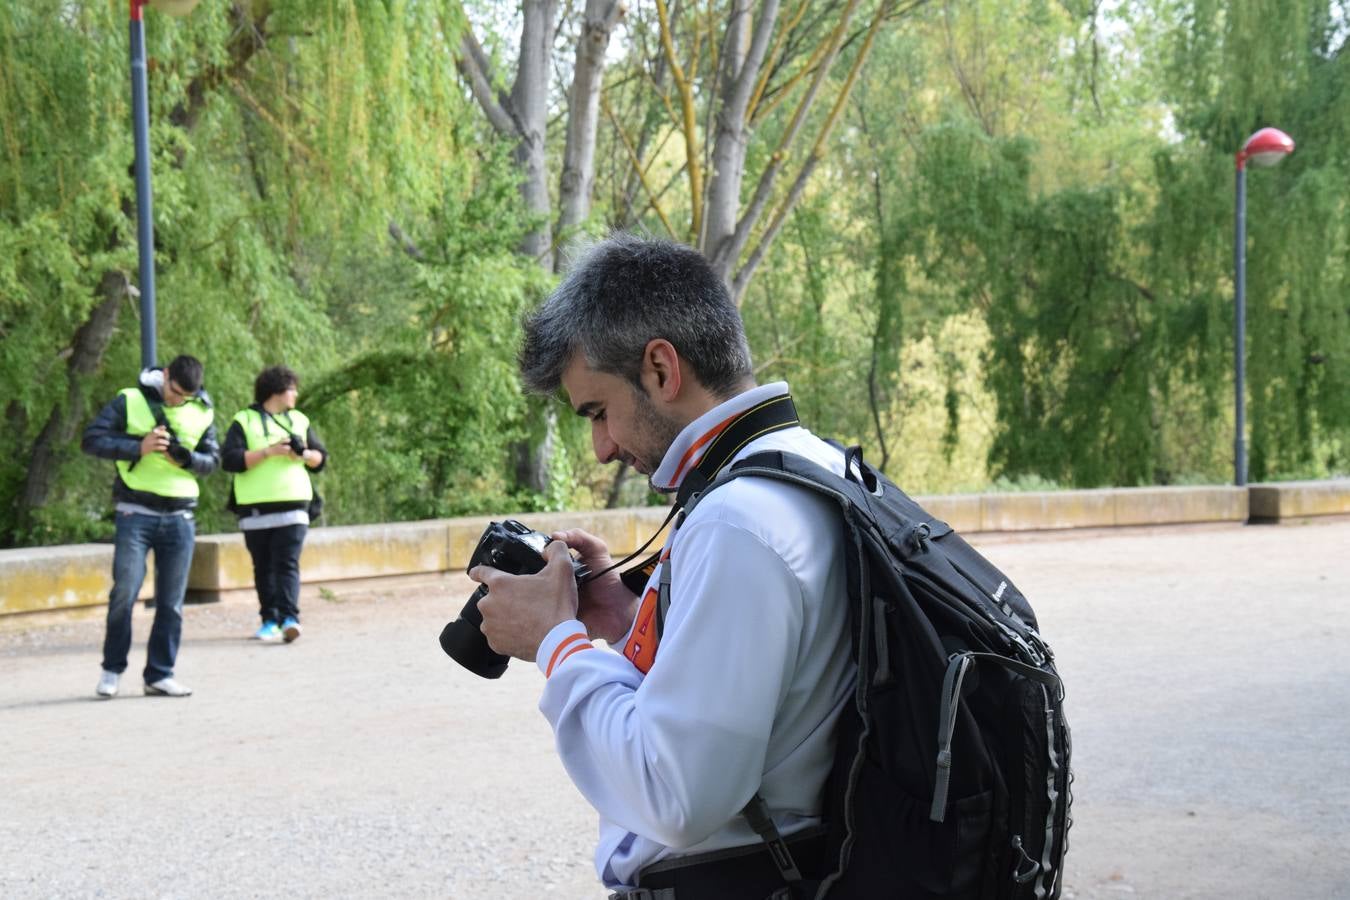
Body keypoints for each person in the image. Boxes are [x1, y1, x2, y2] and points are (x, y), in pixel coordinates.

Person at [468, 234, 856, 898]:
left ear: (659, 369)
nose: (600, 448)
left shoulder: (739, 524)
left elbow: (673, 794)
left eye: (597, 411)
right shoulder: (814, 467)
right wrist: (621, 617)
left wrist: (554, 643)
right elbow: (772, 694)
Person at [82, 355, 219, 699]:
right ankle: (111, 671)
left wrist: (188, 458)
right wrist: (137, 448)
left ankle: (160, 674)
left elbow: (213, 460)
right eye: (174, 392)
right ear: (166, 375)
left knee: (172, 602)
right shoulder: (130, 399)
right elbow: (92, 440)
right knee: (125, 592)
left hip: (181, 516)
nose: (177, 400)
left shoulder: (202, 410)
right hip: (135, 512)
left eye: (185, 397)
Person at [220, 365, 327, 643]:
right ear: (276, 391)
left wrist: (302, 454)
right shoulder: (244, 420)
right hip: (255, 507)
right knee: (263, 566)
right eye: (292, 388)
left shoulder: (300, 420)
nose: (296, 394)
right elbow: (230, 460)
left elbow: (321, 460)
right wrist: (268, 452)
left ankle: (290, 618)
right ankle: (269, 619)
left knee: (287, 563)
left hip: (294, 505)